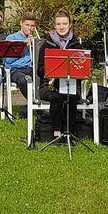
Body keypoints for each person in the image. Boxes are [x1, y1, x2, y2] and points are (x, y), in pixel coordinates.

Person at [37, 9, 86, 138]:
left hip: (71, 84)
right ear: (54, 25)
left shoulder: (76, 45)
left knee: (71, 96)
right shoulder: (47, 44)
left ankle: (69, 131)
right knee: (57, 96)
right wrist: (51, 71)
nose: (61, 27)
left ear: (70, 25)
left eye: (64, 24)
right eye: (58, 24)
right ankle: (56, 130)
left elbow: (82, 69)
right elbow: (39, 70)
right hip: (49, 85)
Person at [3, 12, 37, 101]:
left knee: (42, 78)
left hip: (30, 68)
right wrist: (23, 47)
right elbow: (8, 60)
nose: (29, 28)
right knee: (23, 80)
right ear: (21, 23)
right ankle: (33, 105)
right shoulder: (11, 38)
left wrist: (36, 46)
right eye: (27, 25)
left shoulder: (35, 40)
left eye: (32, 26)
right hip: (14, 69)